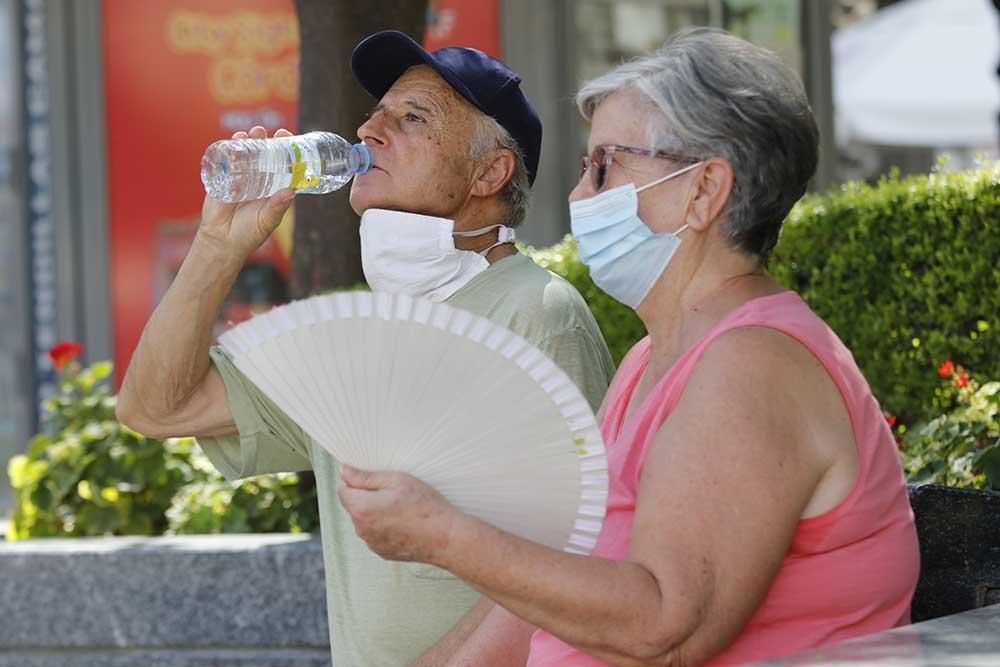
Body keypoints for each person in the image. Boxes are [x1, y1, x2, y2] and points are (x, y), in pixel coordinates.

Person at [336, 28, 921, 666]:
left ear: (703, 191)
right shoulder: (653, 358)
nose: (578, 195)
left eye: (604, 166)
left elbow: (666, 626)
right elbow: (541, 595)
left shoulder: (753, 363)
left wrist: (442, 535)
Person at [116, 30, 615, 667]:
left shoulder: (534, 311)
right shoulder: (351, 334)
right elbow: (155, 409)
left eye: (412, 118)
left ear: (489, 172)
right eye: (375, 114)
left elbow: (574, 562)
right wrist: (220, 245)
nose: (370, 131)